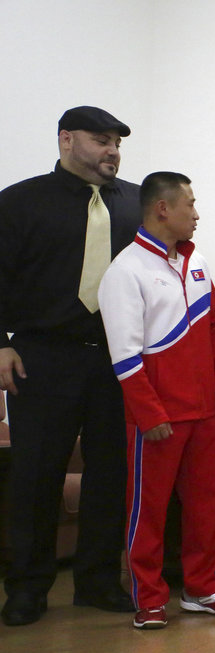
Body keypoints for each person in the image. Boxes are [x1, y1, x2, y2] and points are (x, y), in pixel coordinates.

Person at [0, 106, 138, 626]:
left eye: (117, 143)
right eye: (101, 141)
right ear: (66, 140)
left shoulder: (134, 205)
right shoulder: (19, 202)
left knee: (110, 473)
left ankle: (98, 580)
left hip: (116, 358)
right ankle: (28, 587)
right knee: (36, 475)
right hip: (42, 356)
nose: (112, 151)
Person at [97, 172, 215, 629]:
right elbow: (123, 353)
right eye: (190, 205)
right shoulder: (125, 270)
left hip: (203, 412)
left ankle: (202, 588)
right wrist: (148, 413)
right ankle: (149, 598)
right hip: (159, 418)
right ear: (163, 209)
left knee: (206, 507)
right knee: (149, 510)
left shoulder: (195, 261)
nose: (197, 214)